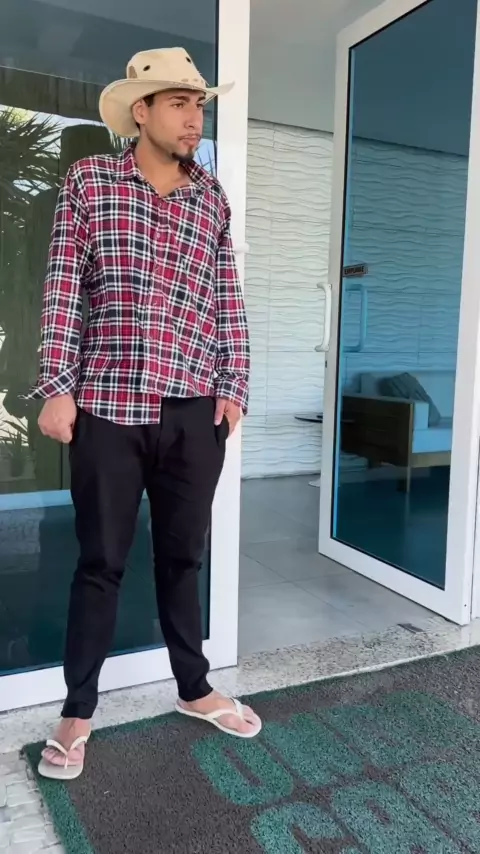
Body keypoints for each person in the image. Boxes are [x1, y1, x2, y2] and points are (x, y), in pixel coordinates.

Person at [29, 47, 261, 781]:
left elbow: (226, 295)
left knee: (183, 557)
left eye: (200, 106)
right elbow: (64, 286)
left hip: (194, 411)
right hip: (109, 407)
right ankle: (77, 711)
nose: (195, 120)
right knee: (100, 563)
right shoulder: (90, 182)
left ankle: (193, 687)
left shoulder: (211, 197)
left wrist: (235, 386)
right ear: (142, 111)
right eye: (180, 104)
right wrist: (56, 385)